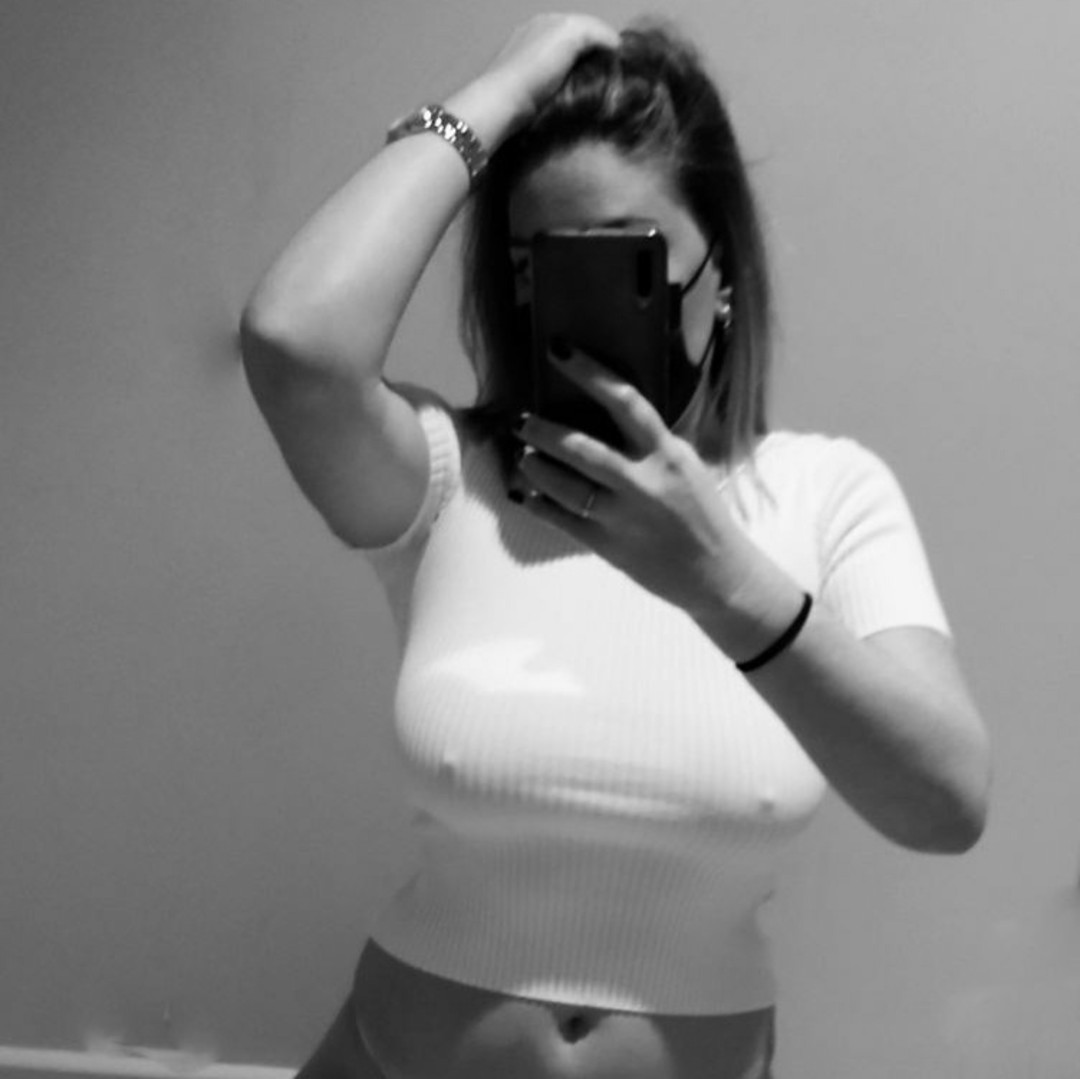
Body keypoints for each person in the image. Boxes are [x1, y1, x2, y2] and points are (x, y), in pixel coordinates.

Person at [239, 13, 991, 1079]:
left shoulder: (826, 494)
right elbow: (293, 344)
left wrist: (722, 582)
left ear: (721, 277)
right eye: (536, 266)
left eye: (623, 260)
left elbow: (946, 802)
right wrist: (499, 94)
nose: (576, 303)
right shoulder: (445, 477)